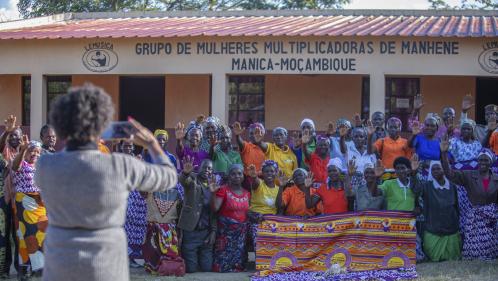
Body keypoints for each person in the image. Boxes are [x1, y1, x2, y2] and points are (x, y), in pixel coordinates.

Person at [35, 84, 177, 281]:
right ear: (103, 127)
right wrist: (152, 143)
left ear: (61, 126)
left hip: (60, 267)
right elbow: (169, 176)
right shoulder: (121, 166)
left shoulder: (45, 165)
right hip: (107, 269)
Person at [440, 139, 498, 260]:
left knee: (493, 250)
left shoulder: (496, 178)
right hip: (475, 217)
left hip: (492, 217)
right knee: (474, 254)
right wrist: (444, 153)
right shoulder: (469, 175)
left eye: (485, 160)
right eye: (480, 159)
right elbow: (449, 174)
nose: (482, 162)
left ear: (490, 162)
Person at [413, 161, 461, 262]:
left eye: (438, 168)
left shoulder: (452, 186)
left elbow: (456, 206)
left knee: (453, 257)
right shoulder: (426, 186)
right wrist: (414, 173)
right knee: (433, 257)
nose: (435, 171)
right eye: (433, 169)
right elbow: (416, 190)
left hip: (451, 229)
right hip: (433, 229)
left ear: (444, 170)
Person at [11, 136, 44, 279]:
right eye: (32, 151)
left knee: (41, 234)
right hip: (25, 204)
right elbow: (14, 167)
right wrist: (23, 150)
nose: (35, 154)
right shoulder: (21, 164)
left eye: (38, 152)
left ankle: (39, 267)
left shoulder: (39, 167)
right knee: (26, 236)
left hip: (40, 205)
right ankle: (26, 269)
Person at [178, 158, 217, 273]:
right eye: (204, 167)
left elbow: (214, 212)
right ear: (199, 168)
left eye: (210, 168)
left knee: (207, 269)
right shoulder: (193, 179)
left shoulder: (213, 184)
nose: (207, 170)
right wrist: (185, 173)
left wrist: (213, 230)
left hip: (205, 232)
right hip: (191, 231)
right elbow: (184, 180)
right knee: (191, 270)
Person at [212, 164, 250, 273]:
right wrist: (213, 193)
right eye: (233, 174)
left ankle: (238, 265)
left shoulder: (247, 193)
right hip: (226, 234)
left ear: (243, 176)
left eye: (239, 173)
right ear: (229, 176)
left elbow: (247, 212)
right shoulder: (223, 190)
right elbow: (215, 209)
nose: (237, 176)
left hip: (241, 234)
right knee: (221, 266)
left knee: (240, 264)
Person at [142, 184, 184, 276]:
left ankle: (168, 267)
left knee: (171, 253)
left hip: (170, 231)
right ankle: (158, 267)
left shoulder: (176, 194)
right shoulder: (150, 190)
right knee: (152, 251)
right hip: (154, 229)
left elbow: (180, 214)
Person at [121, 140, 147, 268]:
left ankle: (135, 257)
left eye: (130, 146)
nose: (128, 148)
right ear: (121, 147)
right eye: (125, 146)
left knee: (138, 228)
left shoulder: (138, 159)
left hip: (137, 199)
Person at [247, 161, 281, 249]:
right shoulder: (259, 184)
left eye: (272, 171)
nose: (269, 173)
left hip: (272, 222)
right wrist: (254, 177)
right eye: (266, 171)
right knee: (260, 248)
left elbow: (280, 207)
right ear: (262, 173)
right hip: (257, 221)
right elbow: (255, 183)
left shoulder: (278, 189)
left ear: (276, 173)